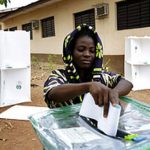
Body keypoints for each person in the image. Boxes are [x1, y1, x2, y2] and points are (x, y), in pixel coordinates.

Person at [44, 24, 133, 118]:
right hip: (64, 129)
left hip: (93, 130)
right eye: (81, 49)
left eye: (92, 51)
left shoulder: (100, 77)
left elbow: (127, 83)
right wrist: (88, 86)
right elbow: (52, 93)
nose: (87, 54)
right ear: (70, 52)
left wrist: (115, 92)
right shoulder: (59, 75)